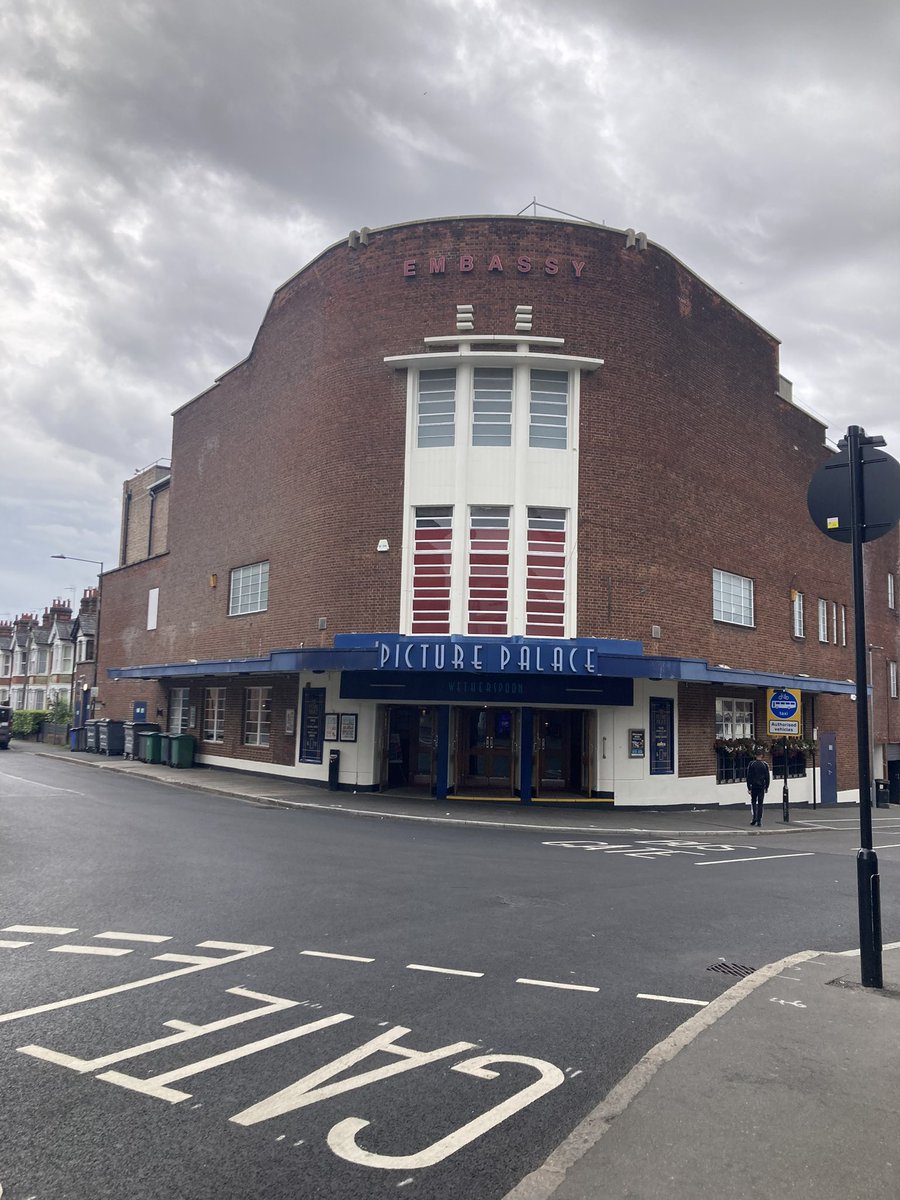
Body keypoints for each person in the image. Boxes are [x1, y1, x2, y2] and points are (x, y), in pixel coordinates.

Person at [746, 751, 770, 826]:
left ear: (756, 756)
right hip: (761, 786)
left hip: (754, 786)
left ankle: (754, 818)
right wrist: (767, 787)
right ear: (762, 756)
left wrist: (749, 787)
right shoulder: (765, 765)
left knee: (753, 802)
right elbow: (767, 777)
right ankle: (759, 820)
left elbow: (748, 776)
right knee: (760, 803)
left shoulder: (751, 764)